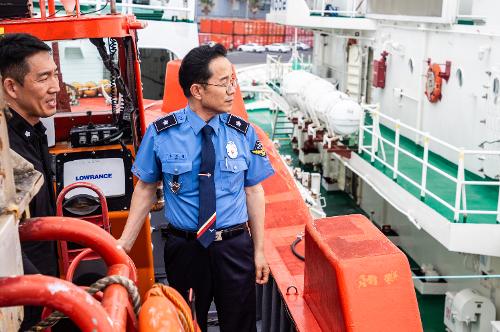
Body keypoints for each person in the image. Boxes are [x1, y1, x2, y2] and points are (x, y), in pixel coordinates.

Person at [118, 43, 275, 331]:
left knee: (240, 323)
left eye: (233, 82)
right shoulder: (162, 133)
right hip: (186, 249)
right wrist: (124, 244)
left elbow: (254, 190)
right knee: (188, 321)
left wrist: (259, 250)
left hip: (234, 246)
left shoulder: (243, 133)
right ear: (197, 90)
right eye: (224, 83)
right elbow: (145, 188)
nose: (232, 90)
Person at [0, 33, 60, 330]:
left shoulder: (34, 134)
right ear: (11, 86)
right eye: (44, 78)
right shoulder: (5, 151)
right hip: (25, 308)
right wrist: (51, 293)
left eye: (55, 75)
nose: (56, 87)